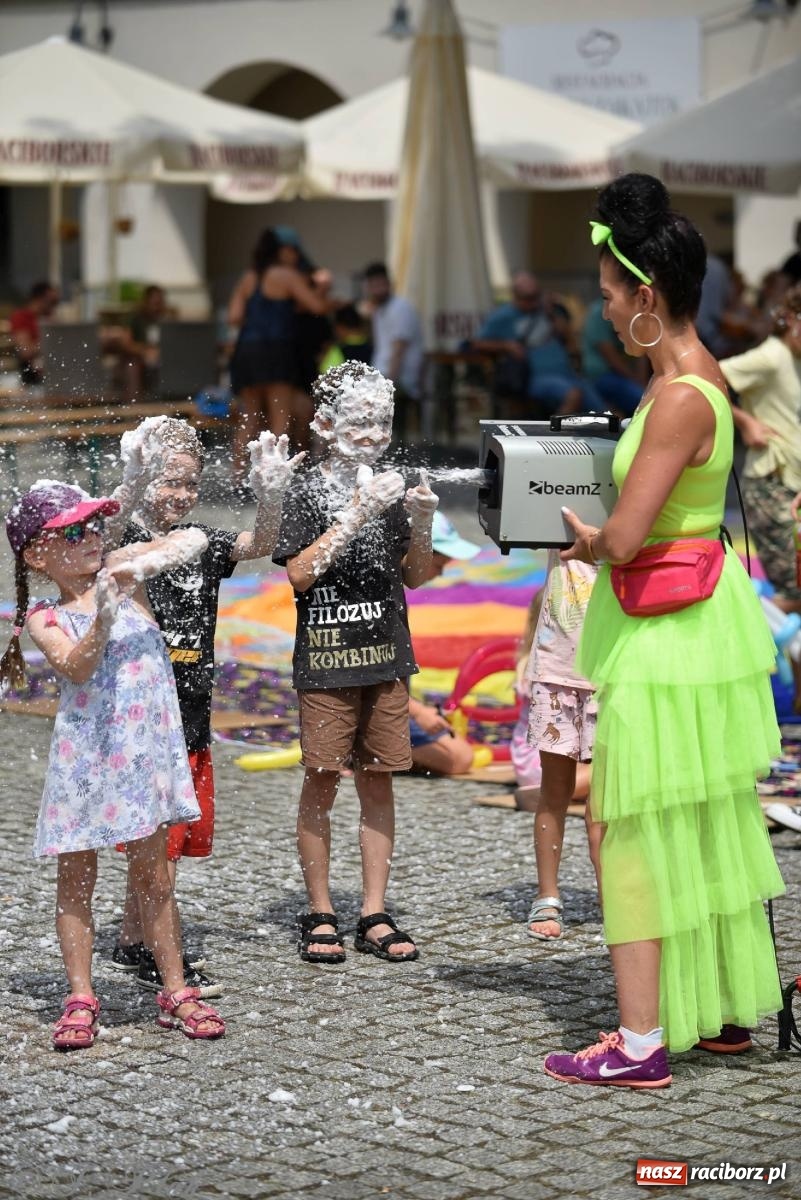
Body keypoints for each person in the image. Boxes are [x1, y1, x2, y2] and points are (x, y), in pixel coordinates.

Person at [542, 173, 784, 1089]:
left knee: (629, 822)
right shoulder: (700, 376)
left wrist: (580, 538)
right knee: (701, 815)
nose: (599, 310)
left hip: (663, 627)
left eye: (607, 293)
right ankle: (716, 1012)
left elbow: (627, 539)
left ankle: (640, 1042)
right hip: (696, 621)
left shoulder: (678, 395)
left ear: (645, 296)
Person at [1, 481, 225, 1047]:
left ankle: (174, 988)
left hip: (142, 758)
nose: (90, 539)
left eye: (95, 526)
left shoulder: (125, 577)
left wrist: (135, 507)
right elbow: (76, 668)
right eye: (72, 532)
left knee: (154, 878)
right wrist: (101, 613)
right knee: (76, 881)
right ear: (35, 554)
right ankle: (80, 995)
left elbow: (189, 541)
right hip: (86, 765)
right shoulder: (44, 617)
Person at [108, 416, 303, 992]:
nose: (181, 494)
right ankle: (154, 950)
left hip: (189, 713)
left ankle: (128, 938)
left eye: (190, 482)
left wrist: (269, 497)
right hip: (141, 717)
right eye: (168, 479)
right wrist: (129, 481)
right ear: (142, 477)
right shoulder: (121, 540)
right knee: (156, 842)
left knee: (164, 835)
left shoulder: (200, 540)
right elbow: (105, 531)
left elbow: (261, 545)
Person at [273, 360, 437, 965]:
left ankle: (373, 908)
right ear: (325, 423)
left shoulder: (393, 486)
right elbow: (297, 572)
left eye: (383, 421)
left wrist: (421, 523)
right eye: (360, 420)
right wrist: (355, 514)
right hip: (326, 657)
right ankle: (320, 908)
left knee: (380, 782)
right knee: (322, 779)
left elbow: (416, 578)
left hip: (386, 654)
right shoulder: (308, 489)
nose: (372, 433)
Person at [521, 551, 598, 939]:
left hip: (615, 670)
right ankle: (547, 893)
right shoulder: (562, 509)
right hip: (558, 671)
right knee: (554, 790)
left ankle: (613, 896)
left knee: (607, 799)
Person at [720, 284, 801, 616]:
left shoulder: (793, 358)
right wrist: (744, 421)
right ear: (793, 319)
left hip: (791, 488)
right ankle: (737, 624)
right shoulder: (771, 356)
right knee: (794, 593)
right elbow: (706, 377)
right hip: (769, 487)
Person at [227, 228, 331, 481]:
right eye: (293, 250)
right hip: (276, 351)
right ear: (282, 251)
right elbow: (316, 307)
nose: (296, 255)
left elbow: (234, 317)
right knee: (279, 417)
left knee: (249, 417)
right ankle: (274, 477)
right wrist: (323, 287)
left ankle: (237, 476)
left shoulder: (249, 277)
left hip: (247, 351)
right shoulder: (286, 275)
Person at [407, 512, 480, 776]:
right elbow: (366, 669)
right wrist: (418, 712)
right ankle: (358, 748)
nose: (439, 574)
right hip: (368, 707)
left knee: (462, 755)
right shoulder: (378, 596)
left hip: (388, 704)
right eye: (439, 564)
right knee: (459, 759)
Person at [474, 272, 604, 416]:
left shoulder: (546, 311)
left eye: (537, 295)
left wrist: (552, 312)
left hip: (566, 374)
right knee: (574, 395)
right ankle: (554, 435)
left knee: (603, 411)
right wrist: (507, 345)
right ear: (515, 296)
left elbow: (568, 336)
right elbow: (478, 343)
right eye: (529, 298)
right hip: (533, 377)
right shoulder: (503, 316)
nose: (534, 301)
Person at [363, 262, 424, 439]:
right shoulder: (379, 310)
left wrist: (389, 384)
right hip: (383, 375)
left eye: (380, 285)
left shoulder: (400, 308)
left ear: (389, 283)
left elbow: (399, 349)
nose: (377, 290)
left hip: (400, 378)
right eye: (373, 286)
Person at [580, 296, 644, 416]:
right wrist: (637, 381)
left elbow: (641, 352)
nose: (606, 315)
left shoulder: (631, 312)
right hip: (600, 375)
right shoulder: (597, 313)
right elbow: (611, 357)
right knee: (641, 399)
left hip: (624, 375)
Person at [9, 281, 59, 385]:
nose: (55, 307)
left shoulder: (50, 319)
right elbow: (26, 351)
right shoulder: (21, 317)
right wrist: (53, 340)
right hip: (32, 377)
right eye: (53, 302)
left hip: (53, 373)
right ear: (40, 299)